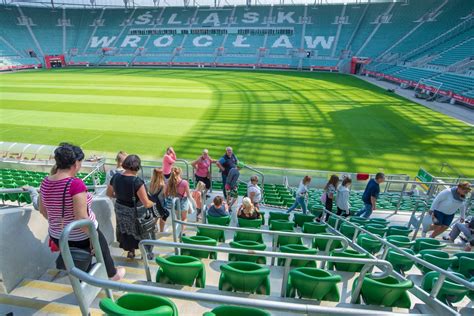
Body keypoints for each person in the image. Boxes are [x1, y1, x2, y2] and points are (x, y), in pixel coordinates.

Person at [39, 143, 125, 280]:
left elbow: (44, 212)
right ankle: (112, 274)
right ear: (75, 163)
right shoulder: (75, 184)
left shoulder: (45, 182)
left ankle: (82, 280)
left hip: (58, 235)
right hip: (80, 235)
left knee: (78, 261)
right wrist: (93, 237)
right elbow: (82, 220)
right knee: (102, 250)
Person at [107, 154, 156, 260]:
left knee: (127, 233)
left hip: (120, 211)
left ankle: (130, 252)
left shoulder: (115, 177)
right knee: (144, 232)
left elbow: (109, 194)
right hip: (135, 213)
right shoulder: (137, 181)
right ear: (137, 167)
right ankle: (147, 254)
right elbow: (146, 203)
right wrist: (154, 203)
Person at [149, 168, 169, 233]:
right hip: (160, 204)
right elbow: (166, 195)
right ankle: (161, 231)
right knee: (164, 215)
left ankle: (152, 229)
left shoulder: (150, 183)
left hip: (152, 203)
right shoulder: (162, 185)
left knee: (155, 217)